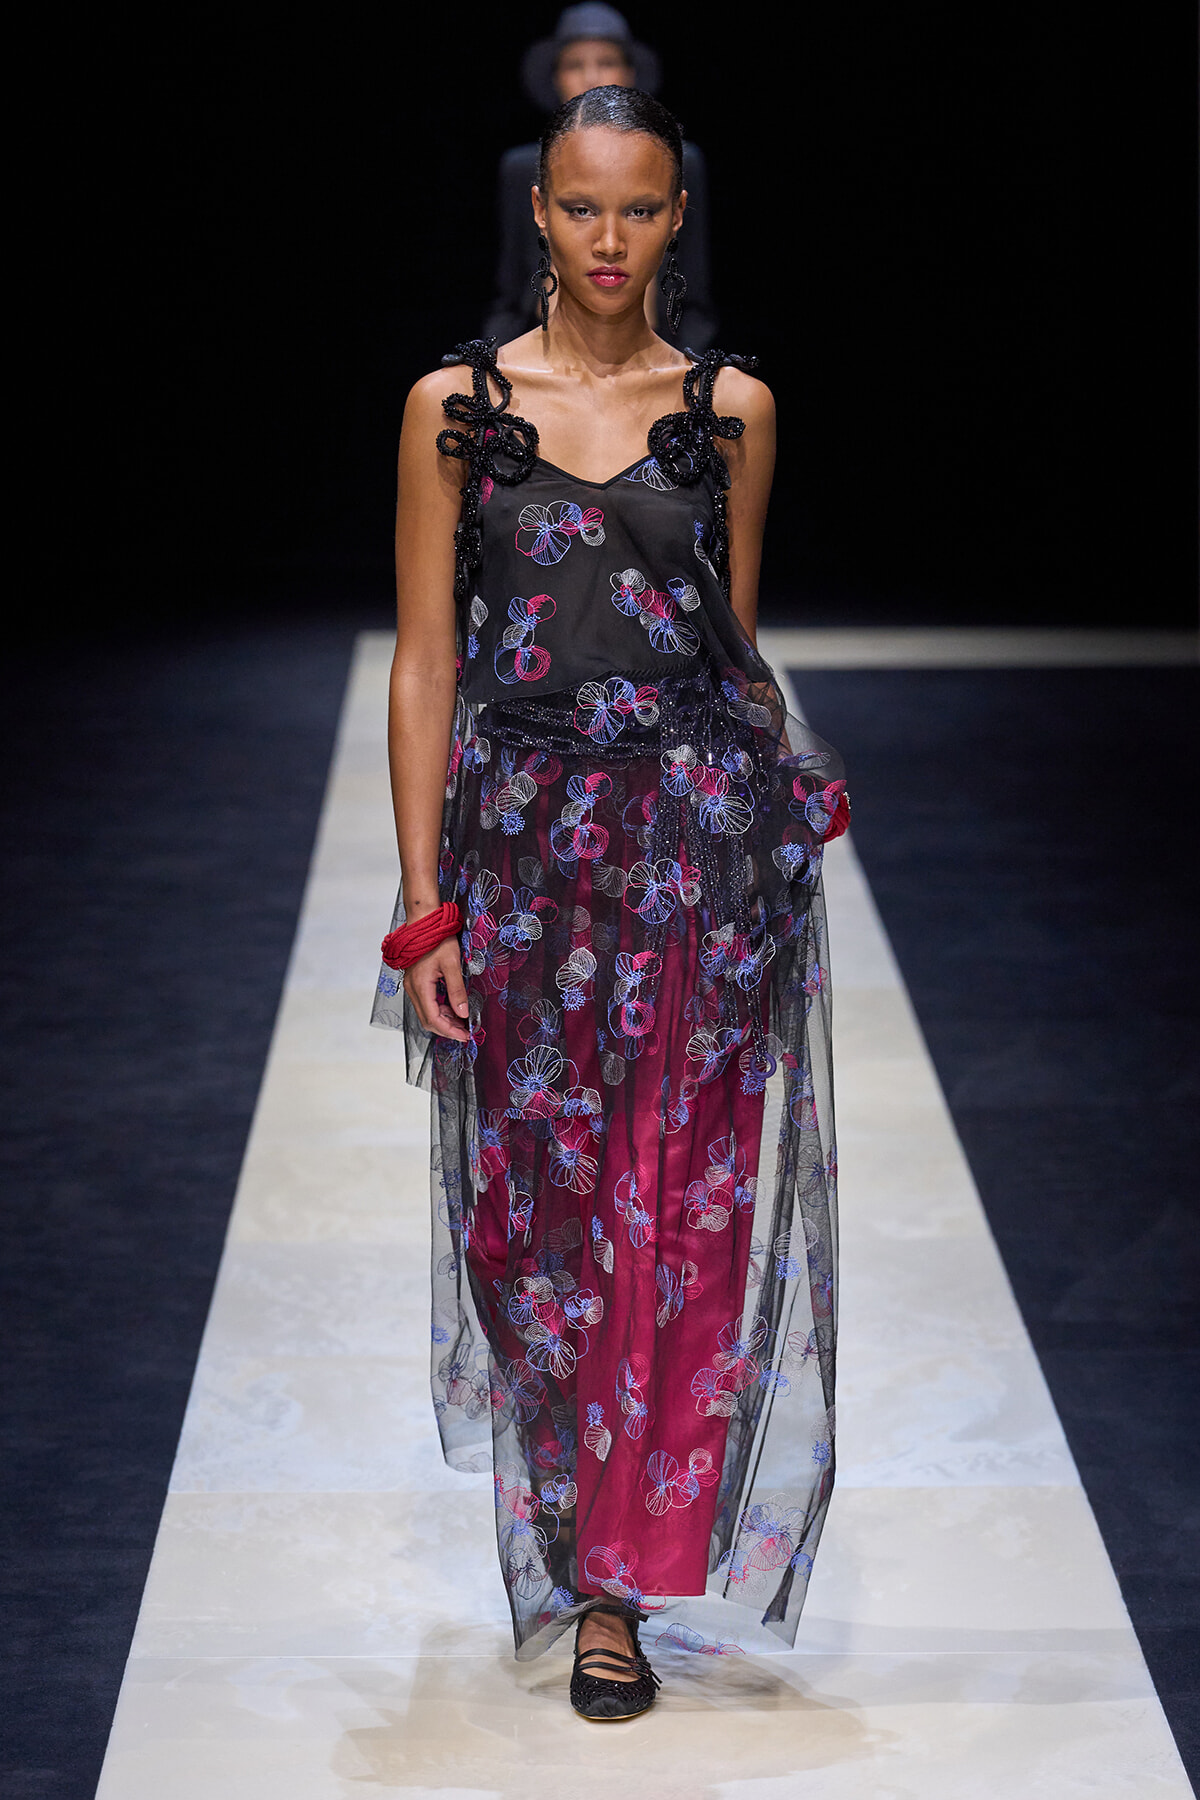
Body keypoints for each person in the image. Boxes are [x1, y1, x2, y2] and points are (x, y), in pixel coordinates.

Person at [373, 85, 845, 1721]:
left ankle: (613, 1593)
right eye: (582, 206)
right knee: (536, 1228)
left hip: (690, 859)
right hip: (520, 865)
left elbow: (733, 654)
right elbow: (426, 660)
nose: (607, 238)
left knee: (676, 1209)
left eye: (639, 209)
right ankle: (583, 1526)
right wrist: (423, 907)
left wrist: (777, 825)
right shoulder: (456, 407)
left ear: (675, 217)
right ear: (539, 209)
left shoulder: (732, 411)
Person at [484, 4, 717, 351]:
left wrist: (686, 365)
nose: (591, 77)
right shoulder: (521, 167)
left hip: (660, 345)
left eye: (640, 211)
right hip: (541, 346)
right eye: (580, 209)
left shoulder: (680, 162)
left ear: (630, 72)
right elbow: (510, 288)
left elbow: (694, 290)